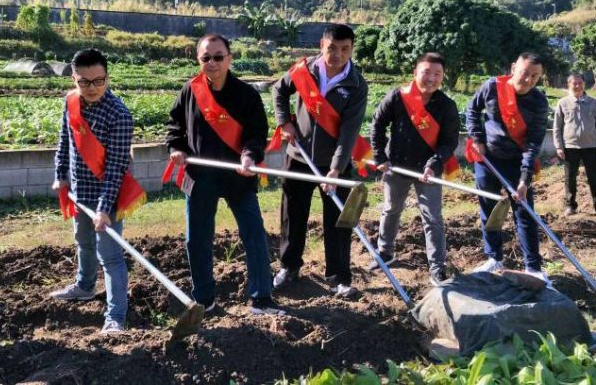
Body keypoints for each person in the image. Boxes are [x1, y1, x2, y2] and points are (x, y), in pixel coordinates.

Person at [164, 34, 284, 316]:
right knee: (198, 239)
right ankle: (204, 300)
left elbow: (256, 134)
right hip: (200, 177)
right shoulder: (189, 91)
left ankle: (261, 298)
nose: (212, 63)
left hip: (237, 177)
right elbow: (175, 127)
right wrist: (177, 148)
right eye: (206, 58)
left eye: (218, 57)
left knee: (254, 234)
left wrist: (249, 156)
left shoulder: (247, 95)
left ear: (229, 58)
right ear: (198, 60)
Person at [51, 48, 145, 334]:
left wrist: (105, 208)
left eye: (98, 81)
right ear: (73, 79)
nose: (91, 88)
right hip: (79, 193)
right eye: (84, 82)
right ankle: (85, 286)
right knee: (83, 242)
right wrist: (60, 176)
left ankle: (116, 316)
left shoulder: (119, 115)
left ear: (107, 77)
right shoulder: (71, 104)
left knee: (111, 256)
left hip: (110, 196)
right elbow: (64, 142)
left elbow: (116, 168)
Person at [271, 24, 369, 298]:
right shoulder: (304, 71)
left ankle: (339, 277)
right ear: (321, 45)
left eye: (345, 49)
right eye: (332, 48)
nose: (338, 54)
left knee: (337, 220)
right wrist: (284, 122)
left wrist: (336, 168)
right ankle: (289, 267)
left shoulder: (356, 84)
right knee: (292, 215)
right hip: (298, 159)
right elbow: (279, 91)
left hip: (334, 165)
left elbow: (350, 131)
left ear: (351, 49)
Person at [369, 52, 459, 286]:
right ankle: (385, 252)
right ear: (415, 72)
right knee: (390, 210)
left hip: (428, 171)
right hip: (396, 166)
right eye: (426, 72)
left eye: (437, 74)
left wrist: (434, 164)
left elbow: (449, 142)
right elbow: (377, 124)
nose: (431, 78)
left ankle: (437, 266)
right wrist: (380, 155)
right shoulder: (398, 97)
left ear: (442, 77)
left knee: (433, 218)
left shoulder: (447, 106)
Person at [465, 52, 549, 282]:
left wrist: (524, 179)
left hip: (516, 162)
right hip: (488, 159)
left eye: (535, 76)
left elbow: (533, 145)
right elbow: (472, 110)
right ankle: (494, 257)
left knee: (524, 212)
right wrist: (477, 138)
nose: (528, 80)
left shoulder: (539, 103)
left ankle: (533, 267)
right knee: (489, 208)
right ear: (513, 68)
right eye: (525, 73)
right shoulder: (492, 87)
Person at [554, 73, 596, 216]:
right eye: (574, 83)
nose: (577, 86)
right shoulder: (563, 103)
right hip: (570, 146)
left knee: (595, 178)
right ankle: (570, 206)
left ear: (584, 84)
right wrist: (559, 146)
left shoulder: (594, 103)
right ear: (569, 85)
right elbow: (557, 127)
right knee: (570, 178)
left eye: (580, 83)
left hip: (591, 147)